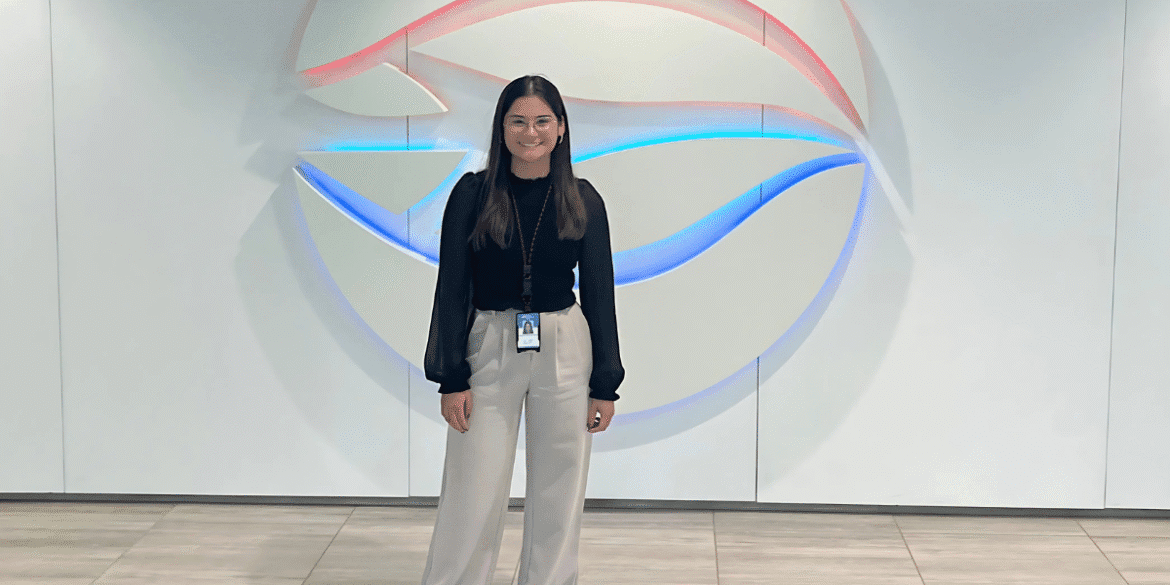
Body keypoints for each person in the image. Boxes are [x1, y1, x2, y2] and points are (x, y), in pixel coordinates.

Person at [420, 75, 625, 585]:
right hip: (489, 342)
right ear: (501, 127)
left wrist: (605, 382)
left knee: (559, 489)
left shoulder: (584, 199)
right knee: (474, 488)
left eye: (541, 121)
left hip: (564, 345)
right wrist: (451, 376)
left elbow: (600, 292)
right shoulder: (471, 195)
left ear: (560, 130)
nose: (529, 132)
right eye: (518, 120)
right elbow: (452, 288)